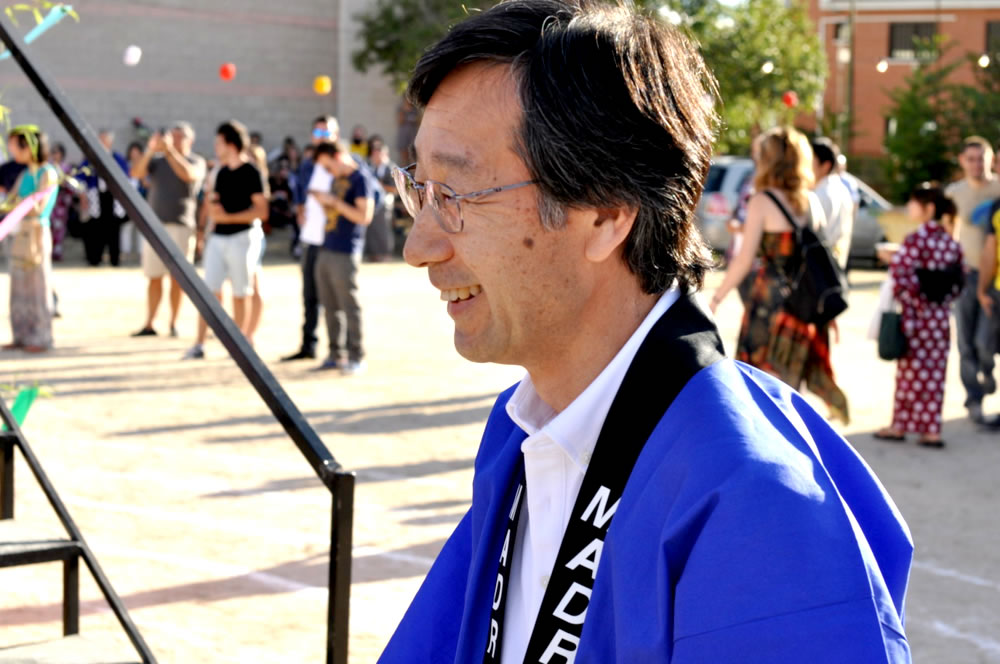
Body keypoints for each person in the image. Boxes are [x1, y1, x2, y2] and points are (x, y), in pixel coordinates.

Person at [379, 2, 911, 662]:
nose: (419, 246)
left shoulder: (758, 505)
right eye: (419, 189)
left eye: (456, 197)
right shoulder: (522, 430)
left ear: (606, 214)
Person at [711, 126, 849, 424]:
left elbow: (744, 259)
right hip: (803, 306)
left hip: (769, 305)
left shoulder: (762, 201)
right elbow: (820, 259)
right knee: (790, 391)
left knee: (759, 387)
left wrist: (717, 297)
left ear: (769, 160)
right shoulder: (811, 201)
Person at [876, 186, 963, 447]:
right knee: (935, 374)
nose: (909, 207)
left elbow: (901, 277)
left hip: (915, 317)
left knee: (909, 372)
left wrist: (913, 300)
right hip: (940, 318)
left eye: (913, 202)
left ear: (928, 208)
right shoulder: (950, 241)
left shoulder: (916, 239)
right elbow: (959, 282)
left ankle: (900, 425)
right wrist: (939, 300)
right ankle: (931, 429)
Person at [183, 121, 267, 359]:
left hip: (243, 237)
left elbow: (262, 210)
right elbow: (213, 203)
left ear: (231, 144)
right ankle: (199, 344)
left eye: (219, 142)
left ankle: (239, 345)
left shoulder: (251, 172)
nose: (215, 146)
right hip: (218, 237)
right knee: (208, 292)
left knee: (241, 291)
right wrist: (207, 222)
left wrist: (229, 217)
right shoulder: (219, 172)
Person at [130, 122, 206, 338]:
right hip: (155, 227)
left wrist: (170, 151)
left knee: (178, 278)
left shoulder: (196, 161)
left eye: (180, 137)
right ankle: (150, 323)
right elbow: (136, 173)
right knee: (154, 276)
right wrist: (150, 149)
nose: (174, 140)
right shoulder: (157, 161)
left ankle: (173, 323)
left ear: (190, 140)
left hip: (181, 226)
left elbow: (188, 175)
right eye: (173, 136)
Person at [309, 141, 377, 373]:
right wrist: (323, 201)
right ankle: (335, 355)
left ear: (338, 157)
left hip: (346, 251)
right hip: (327, 246)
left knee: (349, 306)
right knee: (329, 306)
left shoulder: (361, 179)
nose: (328, 172)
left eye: (328, 166)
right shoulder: (336, 179)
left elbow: (364, 216)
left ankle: (357, 356)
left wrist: (334, 202)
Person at [945, 136, 1000, 423]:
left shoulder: (998, 188)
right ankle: (973, 400)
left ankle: (988, 372)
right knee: (965, 342)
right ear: (962, 161)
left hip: (995, 278)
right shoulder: (954, 193)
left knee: (985, 341)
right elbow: (946, 233)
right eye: (971, 159)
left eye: (982, 159)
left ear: (991, 160)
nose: (977, 164)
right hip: (965, 274)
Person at [282, 115, 340, 361]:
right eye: (318, 133)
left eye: (326, 133)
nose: (322, 138)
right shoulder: (307, 165)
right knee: (309, 296)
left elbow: (371, 196)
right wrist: (299, 208)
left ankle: (339, 351)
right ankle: (308, 346)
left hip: (335, 241)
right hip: (311, 239)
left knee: (336, 299)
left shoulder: (347, 164)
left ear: (336, 136)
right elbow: (299, 193)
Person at [3, 125, 58, 352]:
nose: (11, 150)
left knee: (38, 287)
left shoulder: (48, 173)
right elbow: (10, 200)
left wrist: (18, 205)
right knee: (19, 287)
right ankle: (21, 335)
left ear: (28, 147)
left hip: (37, 233)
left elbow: (38, 208)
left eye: (15, 145)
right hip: (19, 233)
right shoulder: (25, 173)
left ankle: (41, 337)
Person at [79, 129, 129, 266]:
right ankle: (95, 259)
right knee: (96, 229)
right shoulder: (90, 159)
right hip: (96, 196)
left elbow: (126, 177)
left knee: (114, 229)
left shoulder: (117, 158)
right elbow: (80, 178)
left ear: (109, 142)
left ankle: (115, 260)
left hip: (113, 197)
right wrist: (82, 194)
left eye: (104, 140)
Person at [811, 137, 854, 271]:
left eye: (810, 161)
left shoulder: (820, 194)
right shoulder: (841, 189)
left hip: (820, 266)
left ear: (826, 165)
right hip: (835, 264)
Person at [365, 135, 396, 261]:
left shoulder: (390, 168)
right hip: (371, 201)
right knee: (371, 229)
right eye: (374, 153)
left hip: (386, 202)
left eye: (378, 153)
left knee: (383, 229)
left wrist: (381, 185)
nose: (376, 156)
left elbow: (395, 189)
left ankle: (386, 254)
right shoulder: (369, 167)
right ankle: (374, 254)